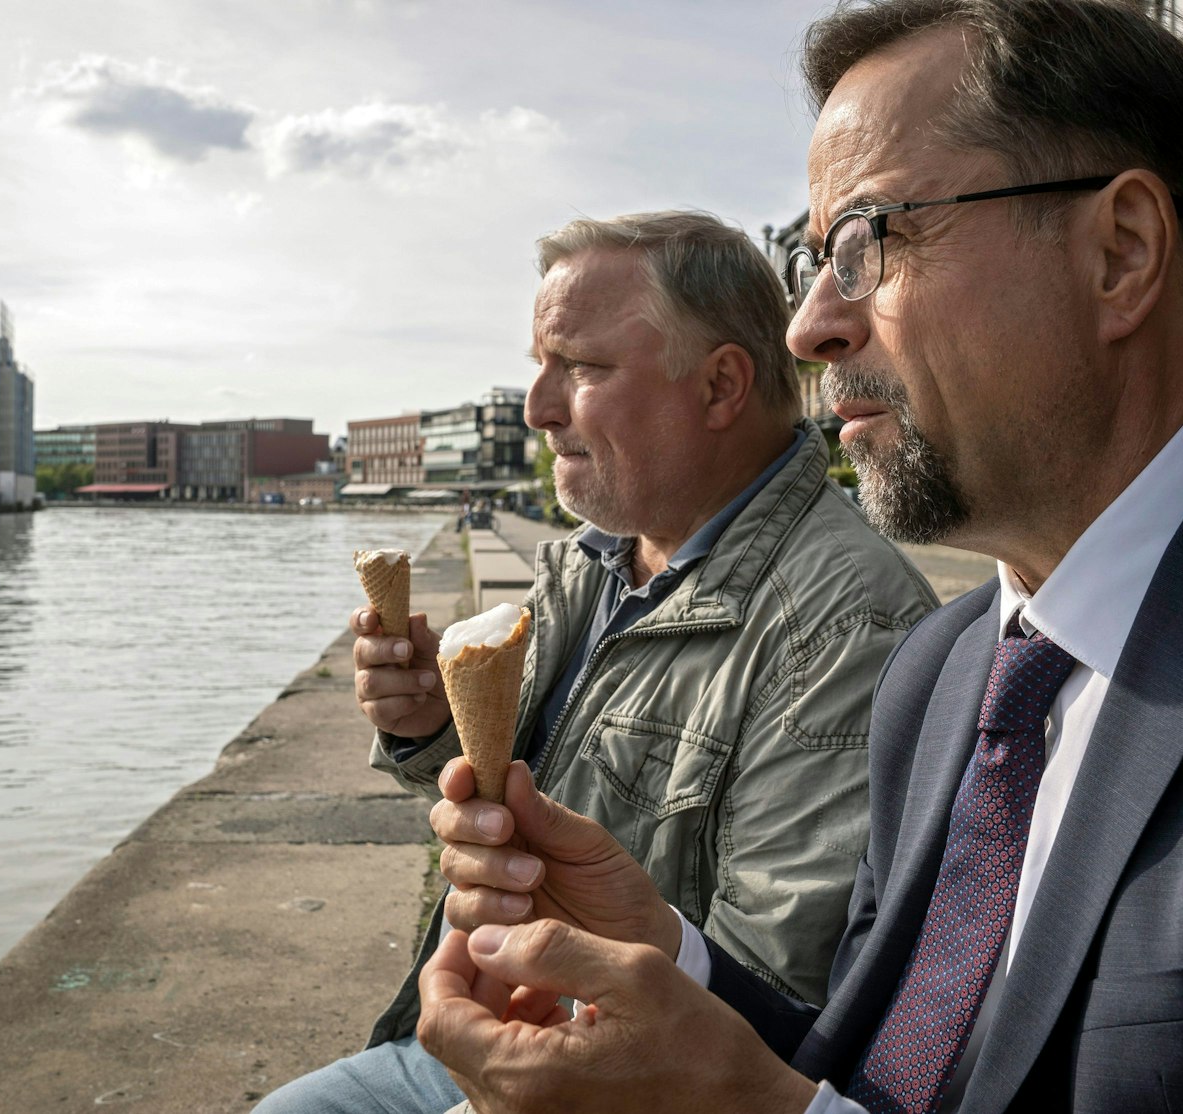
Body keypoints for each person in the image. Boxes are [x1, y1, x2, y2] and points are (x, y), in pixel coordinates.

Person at [411, 2, 1183, 1112]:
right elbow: (872, 1075)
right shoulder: (950, 667)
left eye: (869, 241)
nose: (810, 322)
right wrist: (663, 958)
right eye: (810, 259)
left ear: (1118, 253)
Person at [252, 211, 939, 1113]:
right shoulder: (589, 561)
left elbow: (781, 1011)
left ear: (720, 385)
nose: (538, 406)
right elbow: (508, 808)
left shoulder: (845, 629)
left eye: (581, 368)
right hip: (501, 1020)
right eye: (541, 366)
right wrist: (426, 727)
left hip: (603, 1074)